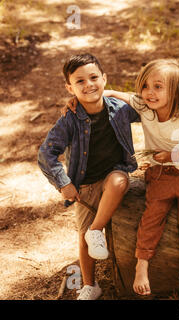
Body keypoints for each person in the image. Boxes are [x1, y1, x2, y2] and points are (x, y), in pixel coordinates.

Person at [37, 53, 140, 300]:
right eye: (80, 81)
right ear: (69, 88)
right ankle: (89, 284)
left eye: (94, 78)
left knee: (120, 180)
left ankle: (97, 230)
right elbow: (46, 154)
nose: (88, 85)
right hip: (85, 184)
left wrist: (112, 93)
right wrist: (64, 184)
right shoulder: (70, 119)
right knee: (83, 239)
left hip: (113, 174)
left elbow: (148, 105)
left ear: (104, 78)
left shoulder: (120, 110)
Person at [103, 59, 179, 296]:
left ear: (176, 91)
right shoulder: (145, 107)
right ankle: (142, 264)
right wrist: (101, 92)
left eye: (158, 87)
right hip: (160, 173)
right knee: (152, 214)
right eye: (146, 86)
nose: (150, 92)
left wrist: (171, 154)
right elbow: (124, 95)